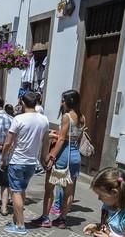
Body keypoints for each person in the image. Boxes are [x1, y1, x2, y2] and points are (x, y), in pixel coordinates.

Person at [31, 89, 85, 229]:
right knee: (69, 190)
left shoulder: (67, 116)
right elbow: (73, 137)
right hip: (75, 155)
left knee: (50, 188)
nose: (61, 102)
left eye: (63, 100)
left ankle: (45, 218)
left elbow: (61, 140)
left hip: (63, 154)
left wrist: (51, 155)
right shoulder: (82, 117)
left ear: (69, 101)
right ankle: (62, 219)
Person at [0, 91, 50, 234]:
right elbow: (46, 142)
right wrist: (43, 158)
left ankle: (20, 225)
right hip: (31, 162)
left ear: (22, 102)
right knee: (21, 190)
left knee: (15, 192)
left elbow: (8, 142)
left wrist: (3, 158)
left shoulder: (19, 119)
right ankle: (17, 219)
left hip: (17, 160)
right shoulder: (44, 120)